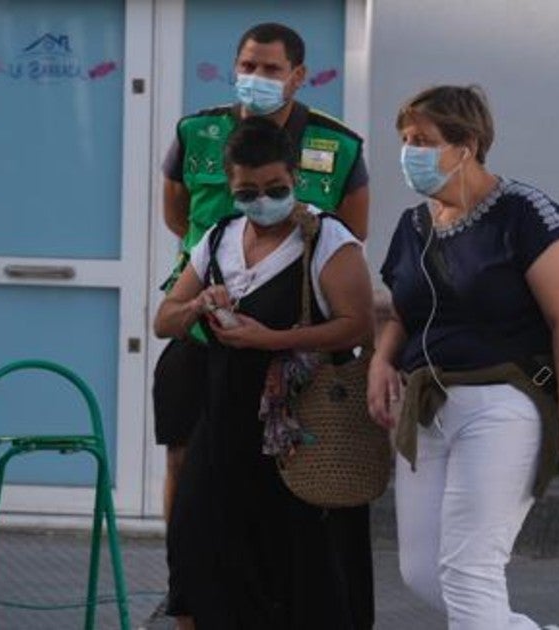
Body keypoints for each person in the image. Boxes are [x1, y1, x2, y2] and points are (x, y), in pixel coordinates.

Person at [367, 85, 559, 629]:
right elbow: (403, 312)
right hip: (428, 408)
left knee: (469, 572)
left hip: (503, 404)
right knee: (423, 573)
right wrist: (382, 359)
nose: (409, 151)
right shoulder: (414, 226)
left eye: (423, 140)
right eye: (405, 139)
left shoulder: (525, 213)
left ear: (467, 144)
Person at [154, 117, 375, 628]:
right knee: (199, 549)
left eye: (275, 189)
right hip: (224, 424)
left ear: (295, 177)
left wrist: (270, 340)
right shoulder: (219, 238)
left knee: (299, 570)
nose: (261, 200)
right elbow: (165, 318)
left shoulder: (326, 239)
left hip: (298, 436)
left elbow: (356, 325)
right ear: (230, 187)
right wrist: (199, 306)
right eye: (246, 191)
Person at [154, 19, 369, 527]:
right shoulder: (196, 131)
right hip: (204, 325)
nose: (258, 76)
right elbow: (177, 217)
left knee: (279, 468)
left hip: (291, 340)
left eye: (272, 68)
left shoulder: (336, 145)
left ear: (298, 76)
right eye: (248, 66)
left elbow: (352, 230)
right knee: (185, 460)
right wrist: (220, 267)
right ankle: (182, 577)